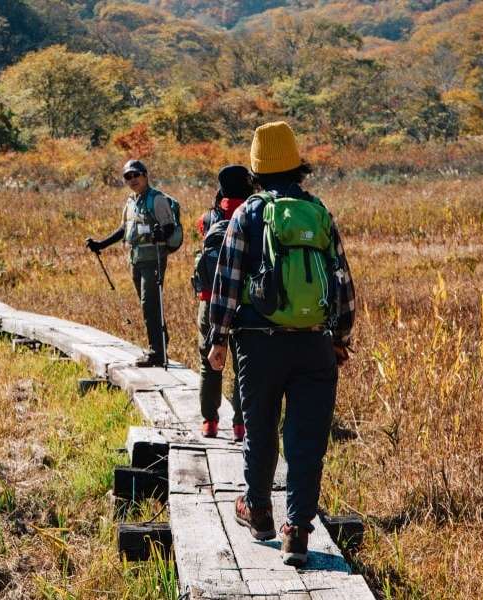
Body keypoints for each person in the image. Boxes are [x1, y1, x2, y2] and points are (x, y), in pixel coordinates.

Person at [205, 122, 356, 567]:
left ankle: (259, 512)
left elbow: (227, 282)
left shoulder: (247, 214)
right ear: (297, 166)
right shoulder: (318, 212)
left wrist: (218, 338)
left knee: (260, 429)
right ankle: (297, 532)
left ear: (256, 169)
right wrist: (340, 338)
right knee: (307, 440)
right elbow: (342, 280)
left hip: (258, 344)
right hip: (314, 343)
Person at [87, 160, 178, 368]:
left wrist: (160, 234)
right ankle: (159, 347)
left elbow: (170, 227)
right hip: (136, 260)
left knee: (150, 304)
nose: (132, 180)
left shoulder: (157, 199)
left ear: (145, 175)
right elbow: (123, 230)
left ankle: (157, 352)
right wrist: (101, 244)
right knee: (149, 305)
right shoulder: (131, 202)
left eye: (135, 175)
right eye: (127, 177)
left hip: (153, 259)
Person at [193, 165, 250, 440]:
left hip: (209, 300)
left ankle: (209, 422)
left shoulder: (207, 219)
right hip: (245, 301)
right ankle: (240, 425)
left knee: (210, 361)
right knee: (242, 365)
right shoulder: (254, 216)